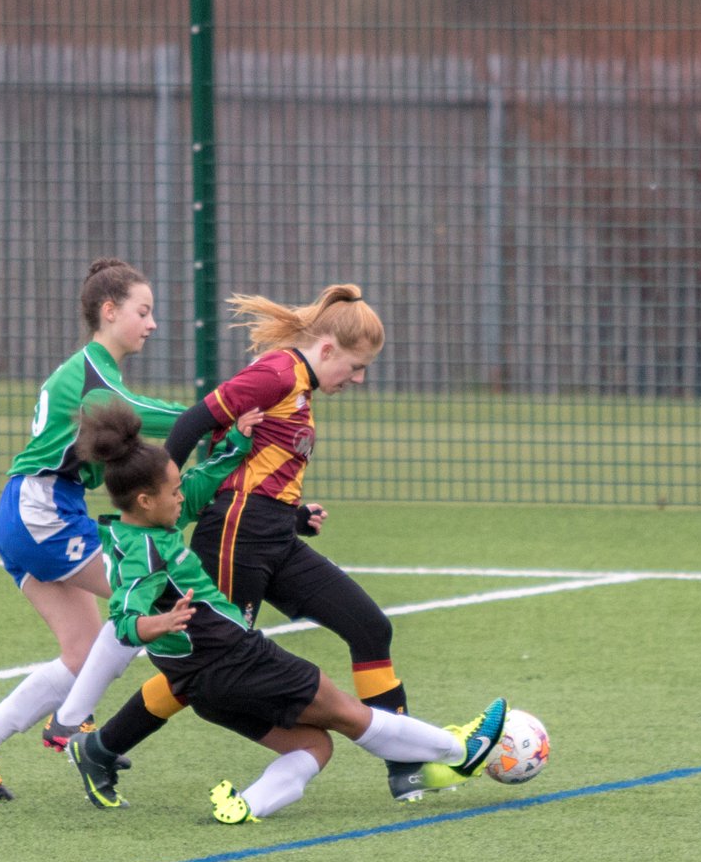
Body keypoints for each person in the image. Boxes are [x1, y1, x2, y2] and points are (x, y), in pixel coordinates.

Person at [52, 282, 442, 802]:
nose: (359, 377)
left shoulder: (300, 385)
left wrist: (294, 514)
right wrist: (157, 504)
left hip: (271, 534)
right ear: (327, 350)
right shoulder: (277, 372)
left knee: (370, 627)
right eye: (354, 365)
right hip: (237, 535)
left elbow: (259, 464)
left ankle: (404, 762)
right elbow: (196, 421)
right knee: (214, 662)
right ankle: (101, 746)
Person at [69, 399, 508, 822]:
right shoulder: (142, 552)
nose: (183, 496)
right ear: (146, 501)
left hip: (200, 684)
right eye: (174, 490)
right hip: (234, 660)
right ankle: (461, 751)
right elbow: (124, 620)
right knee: (349, 714)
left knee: (313, 746)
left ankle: (246, 805)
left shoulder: (138, 528)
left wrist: (237, 445)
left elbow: (206, 477)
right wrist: (155, 624)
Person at [0, 257, 193, 801]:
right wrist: (214, 414)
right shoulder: (96, 377)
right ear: (109, 311)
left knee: (81, 653)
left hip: (30, 510)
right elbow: (148, 416)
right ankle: (71, 724)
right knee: (142, 601)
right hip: (43, 512)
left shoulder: (95, 374)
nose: (152, 324)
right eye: (143, 312)